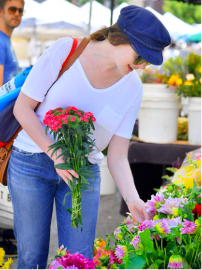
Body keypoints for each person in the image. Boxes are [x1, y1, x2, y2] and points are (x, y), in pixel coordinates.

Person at [7, 5, 171, 269]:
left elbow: (117, 156)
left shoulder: (133, 89)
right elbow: (22, 109)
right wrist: (56, 153)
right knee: (31, 257)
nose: (141, 66)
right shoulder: (67, 50)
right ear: (120, 38)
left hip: (84, 171)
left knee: (80, 260)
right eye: (140, 56)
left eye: (147, 62)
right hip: (31, 163)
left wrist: (132, 200)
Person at [0, 0, 24, 257]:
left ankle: (4, 233)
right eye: (12, 9)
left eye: (20, 10)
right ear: (0, 11)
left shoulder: (6, 41)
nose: (17, 14)